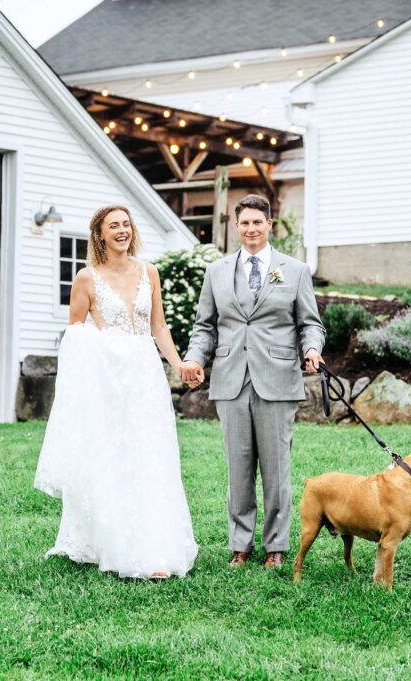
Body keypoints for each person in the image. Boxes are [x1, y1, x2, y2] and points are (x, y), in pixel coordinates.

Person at [34, 205, 198, 580]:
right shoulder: (86, 278)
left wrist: (178, 364)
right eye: (114, 226)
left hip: (145, 376)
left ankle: (156, 546)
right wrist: (107, 350)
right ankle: (110, 540)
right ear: (100, 234)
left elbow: (159, 326)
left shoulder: (149, 272)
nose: (122, 230)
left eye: (126, 224)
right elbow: (75, 333)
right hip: (107, 378)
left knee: (150, 454)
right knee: (112, 453)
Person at [180, 194, 325, 569]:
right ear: (237, 226)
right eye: (244, 223)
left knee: (277, 469)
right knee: (238, 467)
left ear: (269, 224)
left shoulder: (294, 270)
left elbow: (310, 323)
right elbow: (204, 327)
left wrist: (311, 349)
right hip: (230, 381)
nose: (250, 229)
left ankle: (275, 546)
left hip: (277, 380)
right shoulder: (216, 272)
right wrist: (195, 356)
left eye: (257, 222)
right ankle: (239, 545)